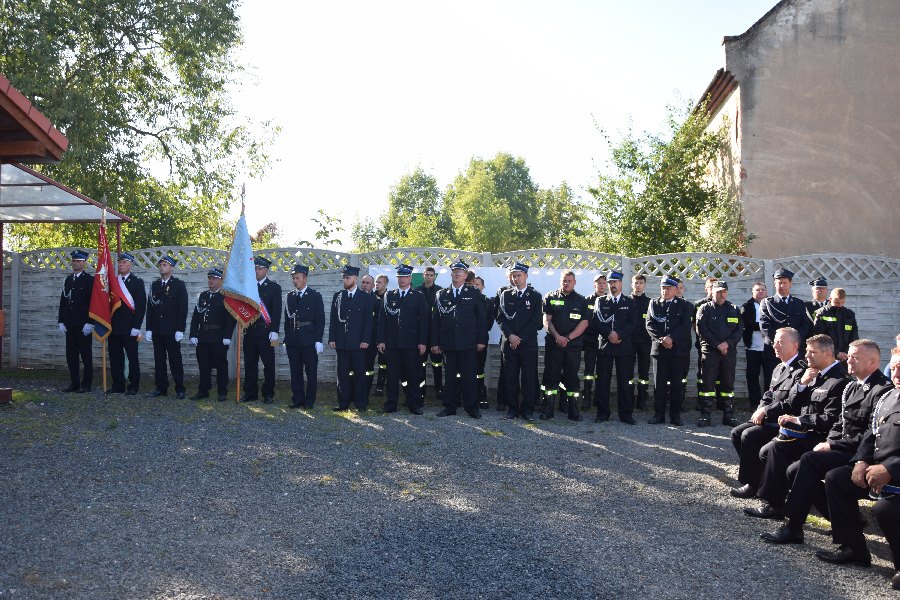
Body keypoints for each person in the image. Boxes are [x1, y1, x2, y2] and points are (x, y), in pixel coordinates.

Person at [761, 340, 891, 544]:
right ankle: (847, 519)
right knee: (794, 470)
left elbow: (872, 433)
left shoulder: (881, 390)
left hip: (862, 454)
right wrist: (830, 441)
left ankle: (793, 527)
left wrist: (833, 445)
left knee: (810, 461)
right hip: (845, 447)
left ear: (873, 362)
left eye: (856, 358)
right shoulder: (852, 386)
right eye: (849, 356)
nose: (849, 361)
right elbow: (840, 422)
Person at [815, 348, 900, 590]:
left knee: (885, 510)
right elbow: (872, 434)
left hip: (894, 474)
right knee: (837, 479)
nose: (896, 373)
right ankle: (853, 548)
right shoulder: (889, 397)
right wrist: (861, 461)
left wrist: (889, 468)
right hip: (878, 469)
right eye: (894, 367)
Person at [743, 334, 848, 519]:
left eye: (812, 352)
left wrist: (799, 420)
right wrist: (802, 384)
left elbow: (830, 418)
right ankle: (774, 498)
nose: (806, 356)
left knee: (776, 450)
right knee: (767, 450)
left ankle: (776, 506)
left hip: (820, 436)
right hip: (804, 431)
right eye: (806, 351)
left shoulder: (839, 380)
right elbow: (793, 403)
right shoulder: (814, 373)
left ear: (828, 353)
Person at [730, 327, 806, 499]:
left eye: (780, 342)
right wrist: (760, 409)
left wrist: (766, 410)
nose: (775, 346)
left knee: (749, 436)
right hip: (769, 417)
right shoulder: (779, 367)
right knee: (737, 433)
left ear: (795, 346)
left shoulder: (800, 370)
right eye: (774, 342)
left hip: (783, 421)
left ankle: (753, 484)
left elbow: (792, 402)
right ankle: (759, 476)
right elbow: (769, 394)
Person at [432, 261, 487, 419]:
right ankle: (450, 407)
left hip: (468, 343)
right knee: (449, 377)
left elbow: (481, 318)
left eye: (460, 272)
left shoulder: (474, 292)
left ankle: (471, 407)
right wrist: (435, 342)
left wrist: (481, 340)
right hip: (448, 342)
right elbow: (435, 320)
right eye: (455, 271)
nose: (457, 274)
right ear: (451, 274)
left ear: (465, 275)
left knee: (469, 377)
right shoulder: (442, 294)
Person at [377, 264, 429, 415]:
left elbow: (424, 321)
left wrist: (422, 342)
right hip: (392, 343)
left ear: (410, 278)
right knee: (392, 375)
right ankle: (391, 404)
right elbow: (382, 319)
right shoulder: (389, 295)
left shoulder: (418, 296)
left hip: (411, 343)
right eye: (400, 277)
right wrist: (381, 340)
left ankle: (414, 404)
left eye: (405, 277)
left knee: (412, 375)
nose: (402, 279)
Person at [541, 270, 589, 421]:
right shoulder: (550, 297)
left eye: (569, 280)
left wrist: (567, 338)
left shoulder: (581, 300)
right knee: (551, 376)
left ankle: (573, 411)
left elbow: (584, 323)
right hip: (554, 345)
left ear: (574, 282)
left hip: (573, 347)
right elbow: (547, 320)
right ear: (560, 281)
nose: (566, 283)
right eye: (564, 280)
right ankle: (548, 410)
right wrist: (557, 337)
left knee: (572, 378)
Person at [645, 276, 693, 425]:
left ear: (675, 290)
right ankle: (659, 415)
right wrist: (662, 339)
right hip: (659, 350)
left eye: (668, 288)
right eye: (663, 288)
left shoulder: (685, 305)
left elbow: (685, 326)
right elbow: (649, 324)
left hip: (677, 351)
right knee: (659, 384)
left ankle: (675, 415)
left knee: (676, 385)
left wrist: (671, 338)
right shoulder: (653, 304)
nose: (665, 291)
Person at [695, 281, 743, 427]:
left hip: (728, 352)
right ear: (712, 292)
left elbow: (739, 330)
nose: (721, 295)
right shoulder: (704, 309)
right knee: (707, 385)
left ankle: (728, 415)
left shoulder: (734, 309)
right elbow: (702, 329)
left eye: (724, 292)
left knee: (728, 384)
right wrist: (717, 344)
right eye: (718, 292)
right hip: (710, 351)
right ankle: (705, 415)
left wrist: (727, 344)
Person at [592, 270, 637, 424]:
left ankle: (626, 414)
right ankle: (602, 413)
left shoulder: (629, 301)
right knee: (603, 382)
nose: (612, 285)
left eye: (615, 282)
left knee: (625, 382)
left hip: (623, 347)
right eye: (610, 282)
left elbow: (633, 323)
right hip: (605, 346)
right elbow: (597, 321)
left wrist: (619, 335)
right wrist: (609, 335)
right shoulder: (601, 301)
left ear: (621, 283)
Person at [329, 265, 373, 412]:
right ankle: (343, 403)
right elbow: (333, 320)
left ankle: (361, 404)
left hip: (358, 343)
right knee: (342, 374)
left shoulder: (365, 297)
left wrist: (366, 340)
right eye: (344, 278)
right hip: (342, 342)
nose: (345, 280)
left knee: (360, 374)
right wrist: (332, 338)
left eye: (347, 278)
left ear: (355, 279)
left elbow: (368, 321)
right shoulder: (338, 296)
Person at [188, 267, 236, 401]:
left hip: (218, 337)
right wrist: (193, 334)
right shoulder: (202, 295)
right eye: (210, 278)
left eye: (214, 278)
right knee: (203, 365)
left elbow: (230, 320)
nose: (211, 280)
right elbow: (196, 317)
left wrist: (227, 336)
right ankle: (203, 390)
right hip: (203, 336)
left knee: (221, 365)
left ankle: (222, 391)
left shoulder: (226, 297)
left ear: (221, 280)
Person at [145, 255, 188, 399]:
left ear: (171, 268)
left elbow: (183, 308)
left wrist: (180, 329)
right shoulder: (155, 285)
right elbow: (150, 308)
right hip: (157, 329)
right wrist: (149, 328)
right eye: (160, 265)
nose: (162, 267)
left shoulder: (178, 285)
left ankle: (180, 388)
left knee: (175, 360)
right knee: (159, 360)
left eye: (165, 265)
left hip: (172, 330)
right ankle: (161, 388)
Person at [241, 256, 282, 404]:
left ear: (266, 270)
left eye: (259, 269)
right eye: (255, 269)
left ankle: (268, 393)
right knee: (250, 363)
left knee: (269, 364)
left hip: (267, 333)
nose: (257, 271)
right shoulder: (248, 287)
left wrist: (275, 331)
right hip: (250, 332)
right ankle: (250, 392)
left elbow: (277, 311)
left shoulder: (274, 288)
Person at [284, 264, 325, 409]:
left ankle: (309, 400)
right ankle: (297, 399)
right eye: (293, 278)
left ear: (305, 278)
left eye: (297, 278)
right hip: (293, 340)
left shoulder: (315, 296)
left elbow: (320, 320)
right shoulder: (289, 296)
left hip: (309, 339)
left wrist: (318, 340)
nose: (295, 281)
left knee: (311, 372)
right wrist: (286, 339)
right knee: (295, 372)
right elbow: (287, 321)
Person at [107, 252, 146, 395]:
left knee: (132, 357)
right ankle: (118, 385)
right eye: (120, 262)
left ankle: (133, 385)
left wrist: (136, 327)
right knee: (115, 357)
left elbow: (141, 306)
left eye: (125, 262)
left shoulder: (137, 282)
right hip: (113, 326)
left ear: (131, 265)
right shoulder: (113, 281)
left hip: (129, 327)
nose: (122, 264)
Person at [58, 250, 95, 393]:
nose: (75, 263)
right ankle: (74, 383)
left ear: (84, 262)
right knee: (71, 356)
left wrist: (90, 322)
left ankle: (86, 385)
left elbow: (93, 303)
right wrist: (61, 321)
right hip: (69, 323)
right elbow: (63, 301)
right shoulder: (68, 280)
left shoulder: (89, 280)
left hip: (83, 324)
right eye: (74, 261)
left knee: (86, 356)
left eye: (78, 261)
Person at [742, 281, 778, 408]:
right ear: (752, 292)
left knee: (770, 376)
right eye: (757, 290)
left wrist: (765, 328)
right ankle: (755, 403)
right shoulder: (747, 306)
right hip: (752, 347)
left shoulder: (772, 304)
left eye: (763, 289)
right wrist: (764, 327)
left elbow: (776, 323)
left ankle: (768, 403)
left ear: (767, 292)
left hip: (770, 347)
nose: (760, 292)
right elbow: (747, 323)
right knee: (752, 375)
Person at [760, 268, 811, 355]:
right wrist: (781, 342)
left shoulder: (799, 303)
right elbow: (765, 326)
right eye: (779, 283)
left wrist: (793, 341)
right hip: (774, 348)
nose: (782, 286)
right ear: (775, 284)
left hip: (795, 348)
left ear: (790, 284)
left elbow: (805, 325)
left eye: (785, 283)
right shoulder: (767, 303)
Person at [417, 266, 444, 400]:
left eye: (431, 275)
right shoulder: (417, 291)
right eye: (427, 274)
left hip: (436, 335)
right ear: (423, 276)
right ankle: (421, 390)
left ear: (434, 276)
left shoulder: (440, 291)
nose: (429, 277)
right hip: (421, 335)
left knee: (437, 365)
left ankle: (439, 389)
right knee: (420, 365)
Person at [581, 273, 607, 411]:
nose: (601, 285)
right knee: (589, 371)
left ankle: (599, 397)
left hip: (605, 342)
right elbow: (583, 321)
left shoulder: (609, 300)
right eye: (599, 283)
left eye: (603, 283)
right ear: (594, 285)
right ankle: (587, 398)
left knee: (602, 371)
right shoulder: (587, 301)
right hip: (590, 341)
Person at [813, 287, 859, 361]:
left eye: (842, 302)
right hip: (827, 356)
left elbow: (854, 335)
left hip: (846, 356)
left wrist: (848, 352)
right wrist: (836, 353)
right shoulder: (822, 313)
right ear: (830, 299)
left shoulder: (849, 314)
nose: (840, 305)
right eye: (837, 302)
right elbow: (819, 337)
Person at [693, 277, 718, 406]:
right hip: (704, 345)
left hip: (720, 346)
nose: (713, 289)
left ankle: (719, 402)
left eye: (715, 286)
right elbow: (695, 325)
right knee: (703, 373)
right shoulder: (699, 305)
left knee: (720, 375)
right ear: (706, 288)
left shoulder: (724, 304)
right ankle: (702, 401)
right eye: (711, 286)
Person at [630, 274, 652, 411]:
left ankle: (642, 398)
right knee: (628, 372)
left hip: (645, 342)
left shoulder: (650, 303)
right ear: (632, 284)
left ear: (645, 285)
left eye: (641, 283)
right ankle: (629, 398)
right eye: (636, 283)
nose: (638, 285)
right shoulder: (627, 301)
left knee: (644, 372)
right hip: (629, 342)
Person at [472, 275, 493, 408]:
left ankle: (481, 395)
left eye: (477, 284)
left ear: (483, 287)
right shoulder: (464, 299)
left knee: (479, 369)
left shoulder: (487, 302)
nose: (475, 287)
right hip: (465, 341)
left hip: (480, 341)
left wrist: (480, 339)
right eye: (473, 284)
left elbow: (488, 324)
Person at [372, 274, 389, 395]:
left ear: (386, 284)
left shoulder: (390, 297)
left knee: (383, 363)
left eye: (380, 282)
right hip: (371, 334)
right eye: (376, 282)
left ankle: (380, 386)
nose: (377, 284)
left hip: (384, 335)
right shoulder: (371, 297)